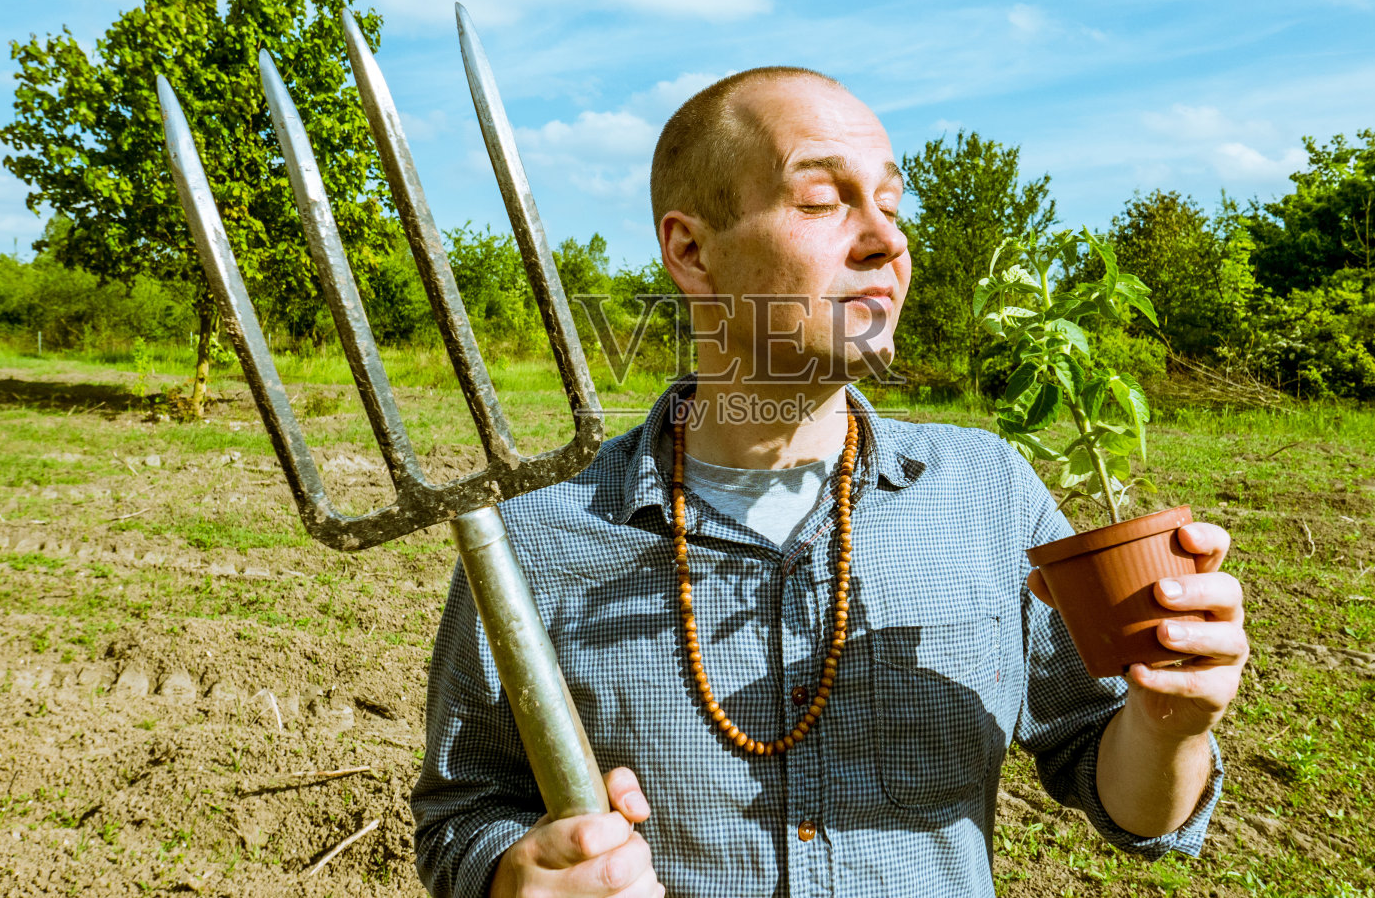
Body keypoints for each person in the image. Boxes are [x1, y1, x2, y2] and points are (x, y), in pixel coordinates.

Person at [412, 67, 1249, 898]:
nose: (886, 237)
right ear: (692, 251)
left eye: (890, 202)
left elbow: (1127, 795)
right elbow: (465, 812)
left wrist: (1169, 724)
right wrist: (514, 876)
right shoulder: (537, 532)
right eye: (821, 200)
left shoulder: (987, 489)